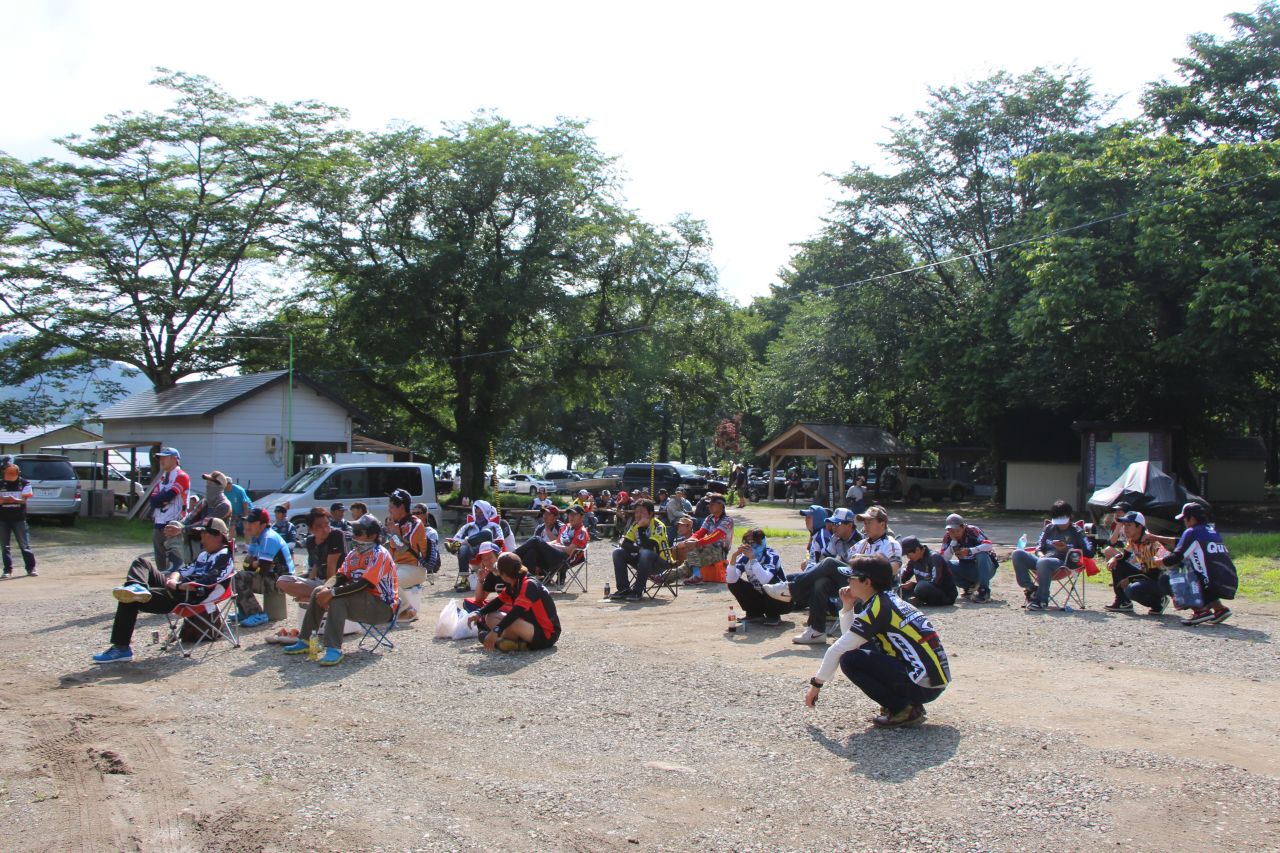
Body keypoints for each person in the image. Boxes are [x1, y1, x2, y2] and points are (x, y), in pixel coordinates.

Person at [803, 555, 951, 728]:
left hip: (924, 684)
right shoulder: (887, 600)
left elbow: (838, 650)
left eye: (851, 578)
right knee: (857, 650)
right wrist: (848, 606)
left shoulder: (878, 607)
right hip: (932, 680)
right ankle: (907, 704)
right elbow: (850, 639)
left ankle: (903, 709)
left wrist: (816, 685)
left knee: (850, 661)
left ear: (867, 582)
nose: (848, 582)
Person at [92, 517, 235, 663]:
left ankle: (121, 648)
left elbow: (205, 584)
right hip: (178, 589)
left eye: (205, 533)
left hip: (189, 598)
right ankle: (137, 586)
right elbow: (182, 571)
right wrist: (173, 580)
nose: (201, 537)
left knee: (129, 597)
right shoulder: (205, 554)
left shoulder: (224, 557)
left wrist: (177, 586)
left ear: (219, 536)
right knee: (142, 563)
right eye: (201, 533)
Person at [282, 514, 399, 666]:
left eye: (358, 532)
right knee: (318, 590)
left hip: (382, 607)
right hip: (361, 601)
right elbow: (340, 576)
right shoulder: (354, 554)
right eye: (353, 531)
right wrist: (326, 588)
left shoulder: (380, 555)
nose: (354, 535)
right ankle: (306, 640)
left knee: (337, 599)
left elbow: (364, 584)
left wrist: (332, 593)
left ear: (373, 536)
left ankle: (333, 649)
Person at [764, 507, 864, 644]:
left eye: (837, 524)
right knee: (819, 583)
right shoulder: (835, 538)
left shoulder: (861, 541)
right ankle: (816, 631)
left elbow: (856, 569)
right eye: (833, 523)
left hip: (858, 581)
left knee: (829, 563)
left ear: (850, 525)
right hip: (842, 580)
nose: (834, 527)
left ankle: (791, 589)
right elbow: (822, 560)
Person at [1153, 502, 1238, 626]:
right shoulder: (1212, 531)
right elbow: (1183, 543)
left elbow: (1176, 557)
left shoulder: (1192, 532)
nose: (1184, 522)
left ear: (1192, 518)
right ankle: (1220, 609)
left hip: (1211, 585)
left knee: (1166, 579)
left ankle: (1200, 611)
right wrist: (1155, 537)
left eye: (1185, 519)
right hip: (1228, 583)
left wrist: (1159, 562)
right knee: (1200, 569)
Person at [466, 553, 561, 652]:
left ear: (503, 574)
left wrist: (496, 630)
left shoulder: (529, 584)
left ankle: (501, 641)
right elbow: (498, 601)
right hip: (530, 626)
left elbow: (516, 612)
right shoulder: (515, 582)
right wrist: (479, 613)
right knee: (490, 616)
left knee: (511, 621)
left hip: (546, 635)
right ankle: (514, 643)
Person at [1011, 500, 1094, 611]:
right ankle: (1031, 588)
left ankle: (1041, 600)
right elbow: (1039, 548)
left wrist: (1067, 549)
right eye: (1057, 521)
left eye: (1062, 521)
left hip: (1064, 563)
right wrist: (1041, 555)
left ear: (1070, 517)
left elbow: (1090, 552)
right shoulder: (1049, 528)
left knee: (1043, 562)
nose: (1060, 524)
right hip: (1043, 560)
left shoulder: (1077, 531)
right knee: (1017, 554)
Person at [235, 507, 295, 627]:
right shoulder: (256, 537)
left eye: (252, 522)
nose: (247, 525)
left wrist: (255, 563)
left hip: (283, 580)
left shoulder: (268, 538)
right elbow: (247, 565)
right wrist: (255, 563)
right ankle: (245, 611)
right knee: (235, 576)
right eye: (247, 522)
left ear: (262, 524)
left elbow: (262, 569)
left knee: (239, 577)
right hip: (272, 576)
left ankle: (257, 614)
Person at [1102, 510, 1168, 615]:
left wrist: (1130, 579)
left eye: (1129, 525)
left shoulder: (1149, 542)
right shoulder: (1133, 539)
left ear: (1139, 527)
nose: (1125, 528)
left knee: (1132, 590)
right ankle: (1123, 602)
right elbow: (1124, 556)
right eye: (1124, 525)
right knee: (1117, 564)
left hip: (1160, 580)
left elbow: (1153, 574)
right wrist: (1114, 558)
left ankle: (1158, 603)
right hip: (1146, 575)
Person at [278, 507, 348, 603]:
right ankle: (313, 596)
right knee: (282, 580)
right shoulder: (310, 541)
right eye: (320, 527)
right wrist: (309, 581)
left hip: (336, 581)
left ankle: (318, 596)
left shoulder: (336, 535)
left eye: (327, 524)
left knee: (322, 589)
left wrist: (326, 590)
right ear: (311, 529)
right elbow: (316, 564)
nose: (325, 529)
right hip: (319, 581)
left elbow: (331, 566)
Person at [610, 499, 673, 601]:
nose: (638, 515)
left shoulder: (658, 526)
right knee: (617, 552)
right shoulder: (636, 524)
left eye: (642, 512)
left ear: (650, 514)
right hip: (642, 561)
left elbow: (649, 546)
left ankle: (637, 591)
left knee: (646, 553)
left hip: (661, 562)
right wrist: (639, 550)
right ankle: (623, 589)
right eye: (636, 512)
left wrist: (641, 529)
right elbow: (625, 544)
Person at [384, 489, 430, 622]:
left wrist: (393, 532)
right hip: (398, 566)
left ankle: (407, 611)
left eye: (392, 506)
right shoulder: (397, 523)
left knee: (389, 580)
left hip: (415, 568)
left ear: (401, 507)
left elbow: (402, 549)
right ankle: (390, 611)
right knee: (376, 578)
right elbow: (391, 550)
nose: (389, 509)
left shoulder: (415, 524)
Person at [727, 528, 788, 625]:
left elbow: (765, 579)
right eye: (746, 542)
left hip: (783, 601)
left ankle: (773, 615)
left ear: (762, 542)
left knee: (770, 583)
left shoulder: (771, 556)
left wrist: (752, 558)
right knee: (734, 584)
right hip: (761, 596)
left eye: (753, 542)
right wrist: (734, 557)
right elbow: (730, 580)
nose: (749, 545)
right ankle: (754, 613)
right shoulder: (744, 557)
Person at [516, 504, 589, 585]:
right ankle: (526, 581)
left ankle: (512, 557)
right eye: (569, 514)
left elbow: (569, 551)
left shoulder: (581, 532)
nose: (571, 517)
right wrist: (544, 544)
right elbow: (557, 541)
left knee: (536, 540)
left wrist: (552, 545)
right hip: (556, 556)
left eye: (574, 514)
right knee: (531, 551)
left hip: (565, 560)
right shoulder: (566, 527)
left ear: (582, 517)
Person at [146, 447, 190, 571]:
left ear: (174, 459)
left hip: (174, 523)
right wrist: (162, 500)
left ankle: (174, 581)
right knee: (160, 561)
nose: (161, 460)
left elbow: (169, 496)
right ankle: (161, 581)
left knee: (174, 562)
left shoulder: (182, 476)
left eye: (165, 457)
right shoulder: (162, 478)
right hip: (159, 523)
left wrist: (162, 499)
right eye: (160, 458)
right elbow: (153, 501)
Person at [447, 499, 506, 588]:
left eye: (481, 513)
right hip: (472, 551)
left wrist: (465, 541)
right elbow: (456, 538)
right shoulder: (468, 526)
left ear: (486, 513)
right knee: (463, 548)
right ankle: (464, 581)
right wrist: (462, 543)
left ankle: (459, 545)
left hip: (488, 550)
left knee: (487, 533)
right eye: (476, 513)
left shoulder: (494, 526)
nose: (478, 515)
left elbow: (500, 539)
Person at [939, 513, 997, 603]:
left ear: (963, 527)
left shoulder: (972, 530)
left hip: (986, 568)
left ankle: (984, 592)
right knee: (944, 564)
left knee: (981, 555)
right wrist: (953, 542)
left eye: (957, 530)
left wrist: (970, 551)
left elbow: (988, 545)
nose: (955, 534)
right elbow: (943, 558)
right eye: (952, 531)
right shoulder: (948, 537)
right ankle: (969, 588)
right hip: (966, 567)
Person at [680, 493, 733, 585]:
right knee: (686, 565)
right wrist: (690, 540)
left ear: (721, 505)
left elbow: (715, 536)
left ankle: (697, 575)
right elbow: (701, 532)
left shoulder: (727, 520)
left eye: (712, 504)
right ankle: (663, 577)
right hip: (708, 549)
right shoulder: (709, 518)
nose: (709, 506)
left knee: (692, 549)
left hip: (720, 552)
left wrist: (696, 543)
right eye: (708, 504)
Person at [0, 463, 37, 578]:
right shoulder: (1, 483)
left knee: (24, 545)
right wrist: (7, 499)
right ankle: (7, 570)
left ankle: (31, 568)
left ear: (18, 473)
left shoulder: (25, 483)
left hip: (19, 519)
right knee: (5, 546)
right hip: (3, 519)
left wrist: (12, 499)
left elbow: (24, 500)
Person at [897, 535, 957, 606]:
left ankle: (916, 599)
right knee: (900, 589)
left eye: (908, 554)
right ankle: (916, 601)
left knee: (921, 586)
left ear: (917, 550)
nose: (907, 557)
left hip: (945, 594)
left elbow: (936, 583)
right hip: (925, 590)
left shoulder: (934, 558)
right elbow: (903, 578)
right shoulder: (913, 561)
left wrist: (914, 585)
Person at [800, 504, 831, 570]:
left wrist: (811, 568)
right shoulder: (814, 534)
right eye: (806, 517)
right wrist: (807, 560)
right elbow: (808, 551)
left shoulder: (822, 536)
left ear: (817, 519)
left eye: (809, 517)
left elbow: (827, 561)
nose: (806, 520)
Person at [225, 476, 253, 540]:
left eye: (229, 483)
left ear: (231, 483)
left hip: (246, 509)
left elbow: (245, 503)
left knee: (246, 528)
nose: (227, 485)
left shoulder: (239, 490)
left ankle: (248, 544)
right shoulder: (223, 491)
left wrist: (246, 516)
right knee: (231, 528)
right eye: (226, 484)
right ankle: (232, 543)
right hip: (234, 512)